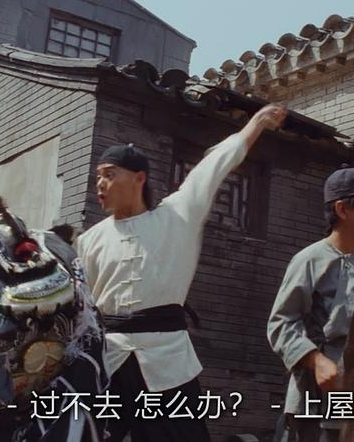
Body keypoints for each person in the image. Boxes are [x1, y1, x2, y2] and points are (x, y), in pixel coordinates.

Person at [76, 103, 288, 441]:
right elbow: (83, 309)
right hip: (109, 360)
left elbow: (215, 166)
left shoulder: (177, 217)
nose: (100, 183)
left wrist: (258, 122)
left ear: (139, 178)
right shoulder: (89, 240)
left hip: (167, 361)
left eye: (110, 174)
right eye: (98, 176)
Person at [267, 167, 354, 442]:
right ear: (342, 209)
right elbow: (281, 323)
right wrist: (316, 360)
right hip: (320, 392)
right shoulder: (308, 260)